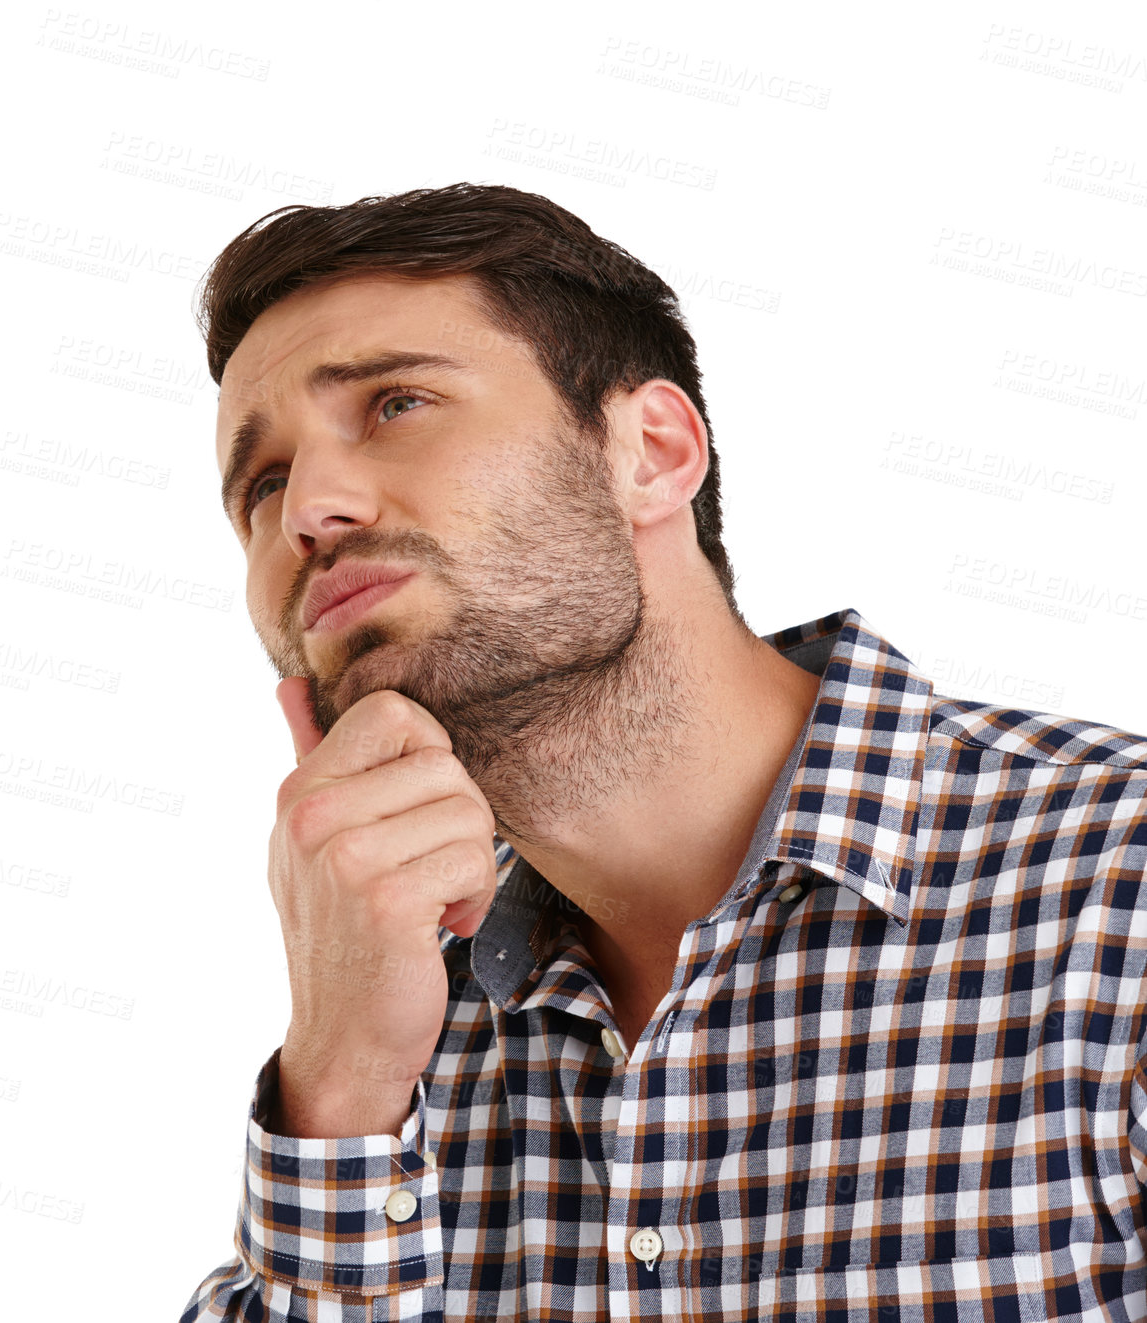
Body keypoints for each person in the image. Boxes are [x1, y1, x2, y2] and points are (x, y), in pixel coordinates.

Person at [180, 183, 1147, 1321]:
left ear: (651, 450)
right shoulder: (383, 1037)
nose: (311, 509)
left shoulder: (1117, 893)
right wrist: (339, 1088)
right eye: (262, 484)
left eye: (397, 405)